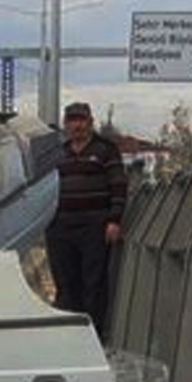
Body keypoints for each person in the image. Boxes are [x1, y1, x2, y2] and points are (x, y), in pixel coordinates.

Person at [47, 101, 126, 340]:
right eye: (72, 120)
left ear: (90, 122)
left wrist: (115, 219)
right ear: (66, 124)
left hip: (95, 227)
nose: (77, 125)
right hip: (60, 228)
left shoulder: (106, 150)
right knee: (65, 284)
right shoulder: (57, 153)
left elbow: (119, 185)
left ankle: (94, 337)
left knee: (94, 283)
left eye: (82, 120)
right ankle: (68, 338)